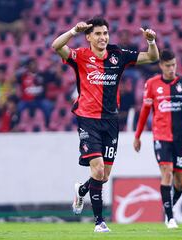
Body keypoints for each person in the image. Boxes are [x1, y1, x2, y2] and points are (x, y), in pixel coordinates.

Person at [51, 16, 159, 232]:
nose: (103, 37)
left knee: (104, 175)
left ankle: (82, 190)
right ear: (89, 37)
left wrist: (151, 41)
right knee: (98, 169)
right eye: (98, 34)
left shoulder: (118, 55)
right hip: (87, 119)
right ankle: (99, 222)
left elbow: (152, 58)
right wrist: (73, 31)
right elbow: (56, 46)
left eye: (105, 33)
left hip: (111, 121)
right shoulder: (80, 56)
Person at [133, 49, 182, 229]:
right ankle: (170, 218)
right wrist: (137, 136)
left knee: (180, 182)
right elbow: (145, 112)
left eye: (174, 65)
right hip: (161, 135)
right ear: (161, 66)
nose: (171, 69)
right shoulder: (152, 84)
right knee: (166, 172)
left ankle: (167, 207)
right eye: (168, 66)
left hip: (180, 138)